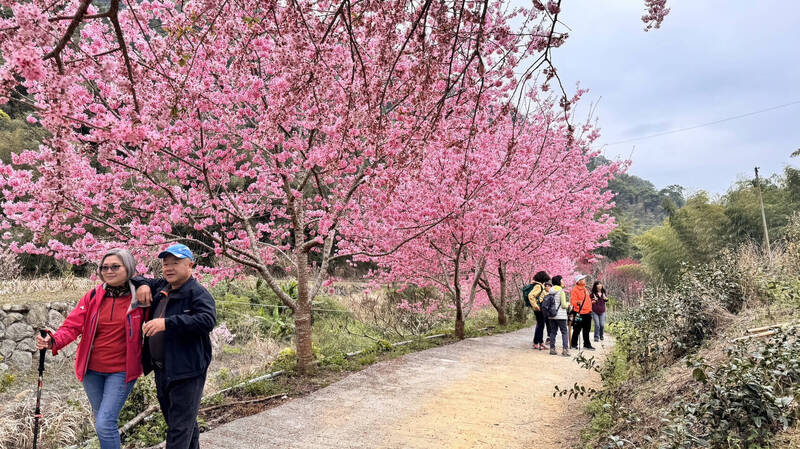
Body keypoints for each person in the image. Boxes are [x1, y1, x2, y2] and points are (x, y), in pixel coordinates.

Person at [35, 249, 146, 449]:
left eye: (115, 266)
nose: (109, 271)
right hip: (91, 370)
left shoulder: (140, 298)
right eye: (104, 267)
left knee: (105, 423)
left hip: (122, 371)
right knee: (103, 421)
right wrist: (53, 341)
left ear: (128, 268)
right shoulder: (93, 296)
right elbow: (72, 326)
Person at [135, 244, 216, 449]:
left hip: (187, 370)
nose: (169, 268)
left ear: (190, 265)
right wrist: (143, 285)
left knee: (178, 430)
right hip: (163, 369)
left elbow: (207, 320)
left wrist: (167, 323)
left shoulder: (197, 293)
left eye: (175, 263)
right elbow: (138, 278)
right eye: (165, 263)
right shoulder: (162, 286)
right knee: (180, 422)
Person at [546, 276, 570, 356]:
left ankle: (552, 349)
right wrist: (569, 304)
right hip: (561, 315)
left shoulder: (550, 291)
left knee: (553, 332)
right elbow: (563, 305)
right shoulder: (561, 291)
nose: (563, 282)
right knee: (564, 332)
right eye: (562, 280)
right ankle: (565, 350)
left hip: (552, 315)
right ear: (559, 282)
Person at [570, 274, 595, 351]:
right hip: (579, 313)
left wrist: (591, 302)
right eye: (583, 279)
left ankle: (587, 344)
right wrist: (578, 303)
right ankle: (574, 344)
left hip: (588, 313)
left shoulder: (585, 289)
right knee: (577, 329)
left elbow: (587, 300)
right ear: (579, 281)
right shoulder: (575, 290)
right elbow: (573, 301)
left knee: (587, 330)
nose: (584, 280)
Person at [528, 271, 550, 350]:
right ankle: (536, 342)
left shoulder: (540, 285)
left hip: (541, 308)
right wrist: (536, 306)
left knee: (541, 325)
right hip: (539, 309)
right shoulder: (538, 286)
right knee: (540, 325)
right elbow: (531, 295)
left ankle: (540, 342)